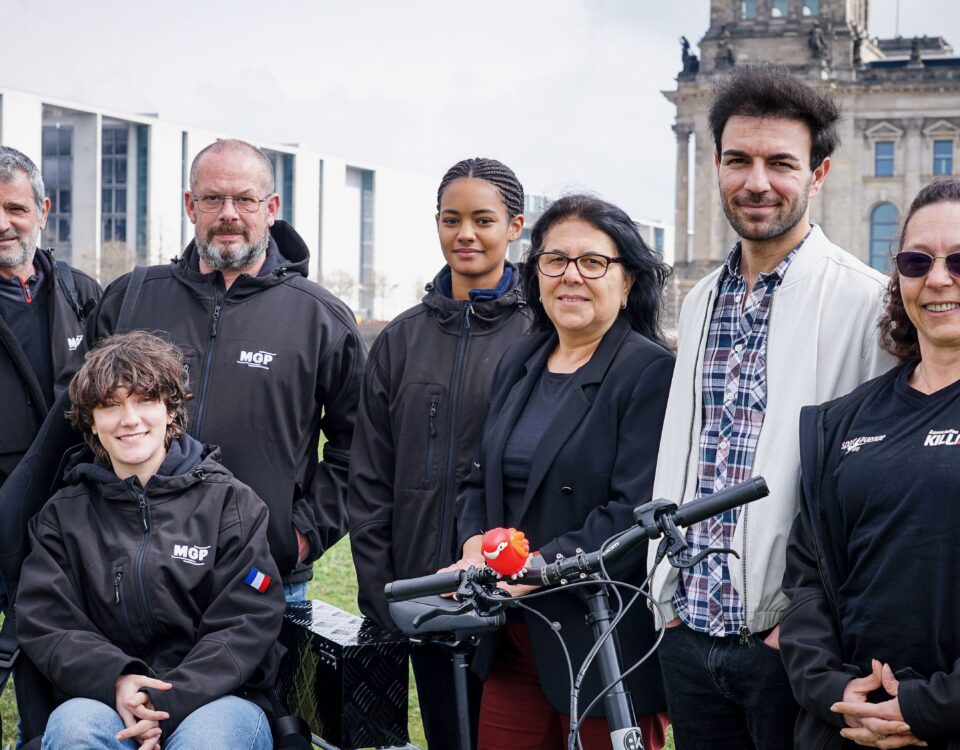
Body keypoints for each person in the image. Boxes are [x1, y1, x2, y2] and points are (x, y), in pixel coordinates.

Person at [648, 63, 895, 750]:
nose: (757, 182)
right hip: (688, 632)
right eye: (738, 160)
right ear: (718, 164)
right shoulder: (698, 301)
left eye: (781, 163)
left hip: (791, 645)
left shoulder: (868, 302)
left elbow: (879, 486)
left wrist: (809, 626)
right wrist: (662, 595)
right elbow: (685, 452)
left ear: (817, 175)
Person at [75, 139, 365, 601]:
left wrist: (301, 536)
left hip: (260, 575)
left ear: (270, 208)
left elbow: (359, 449)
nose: (228, 213)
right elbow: (80, 421)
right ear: (191, 205)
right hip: (129, 567)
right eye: (212, 198)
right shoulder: (130, 298)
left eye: (244, 199)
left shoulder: (320, 319)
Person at [452, 194, 674, 750]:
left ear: (627, 284)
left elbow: (632, 512)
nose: (571, 276)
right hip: (511, 635)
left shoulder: (650, 373)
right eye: (555, 260)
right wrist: (477, 541)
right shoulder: (519, 360)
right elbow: (482, 476)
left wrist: (536, 567)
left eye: (593, 262)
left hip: (598, 637)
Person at [16, 331, 284, 750]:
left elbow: (246, 620)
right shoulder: (61, 516)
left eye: (144, 400)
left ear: (170, 410)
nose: (129, 419)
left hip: (217, 700)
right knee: (74, 733)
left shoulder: (231, 504)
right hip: (101, 698)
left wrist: (164, 701)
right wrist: (119, 680)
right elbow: (48, 621)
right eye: (110, 405)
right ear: (91, 420)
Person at [348, 157, 529, 747]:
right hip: (422, 598)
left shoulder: (541, 334)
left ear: (516, 226)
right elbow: (369, 477)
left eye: (483, 219)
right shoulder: (401, 340)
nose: (466, 234)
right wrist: (384, 595)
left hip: (514, 601)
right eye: (452, 219)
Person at [781, 178, 960, 750]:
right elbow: (809, 581)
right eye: (917, 260)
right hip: (846, 729)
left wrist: (930, 708)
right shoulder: (842, 420)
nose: (937, 279)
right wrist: (832, 689)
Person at [0, 145, 101, 489]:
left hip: (71, 500)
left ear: (42, 212)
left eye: (15, 209)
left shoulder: (84, 294)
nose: (3, 224)